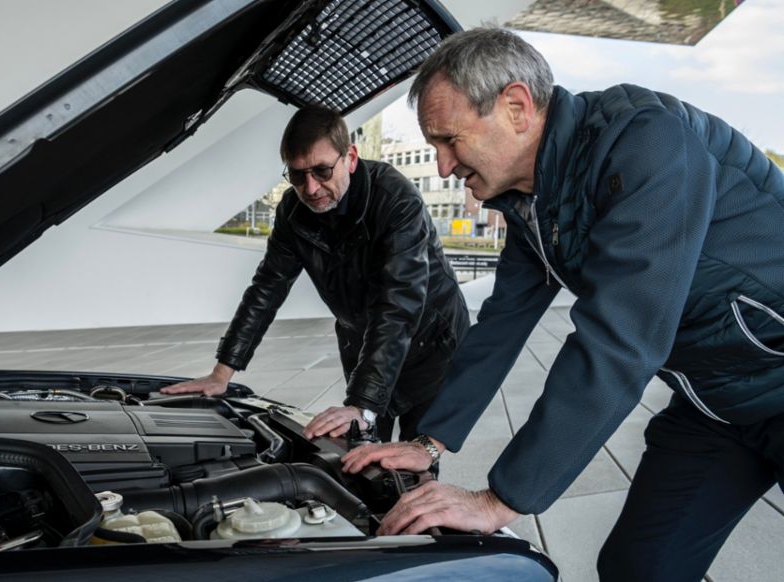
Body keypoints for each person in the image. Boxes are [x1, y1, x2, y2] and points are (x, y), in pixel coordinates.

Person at [341, 28, 784, 582]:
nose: (443, 167)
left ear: (516, 107)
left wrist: (500, 499)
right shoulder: (533, 201)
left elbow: (621, 338)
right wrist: (429, 442)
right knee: (638, 568)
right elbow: (501, 322)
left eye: (449, 140)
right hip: (714, 402)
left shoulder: (648, 141)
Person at [162, 105, 468, 442]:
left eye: (322, 171)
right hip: (363, 341)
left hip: (429, 344)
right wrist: (221, 373)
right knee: (360, 448)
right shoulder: (292, 211)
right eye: (297, 175)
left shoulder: (396, 199)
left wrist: (363, 405)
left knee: (413, 456)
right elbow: (267, 288)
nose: (310, 188)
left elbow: (399, 305)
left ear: (350, 158)